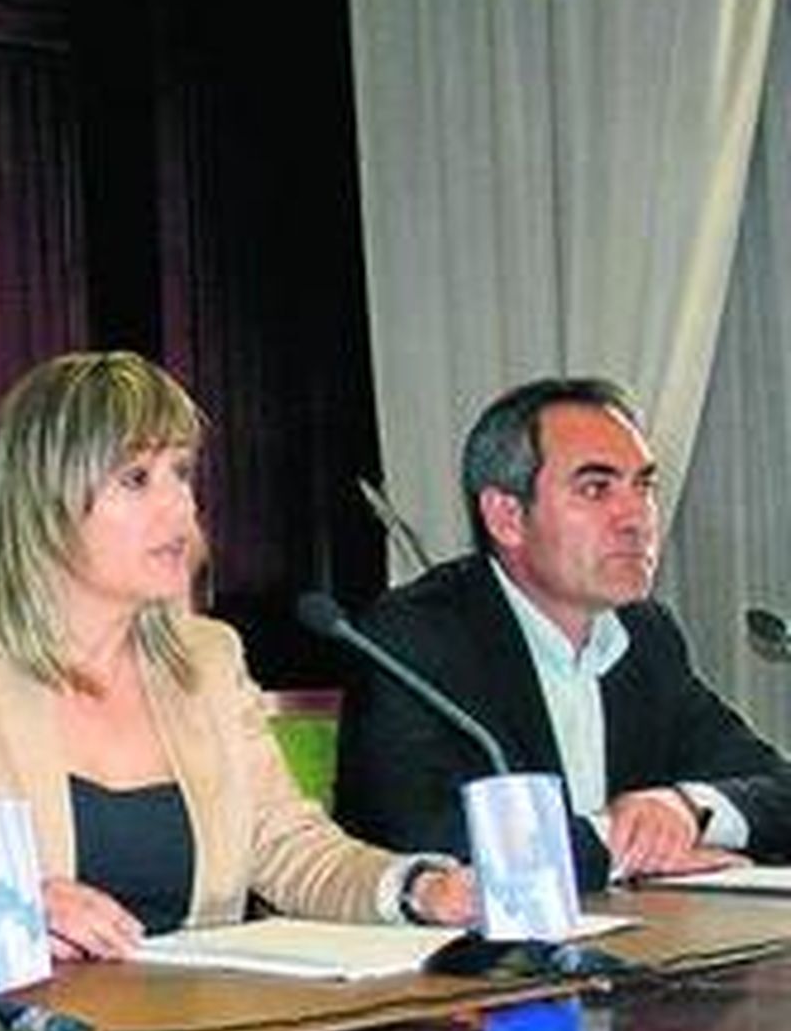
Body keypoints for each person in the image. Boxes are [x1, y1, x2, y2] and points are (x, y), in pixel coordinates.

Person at [0, 351, 475, 963]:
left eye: (182, 473)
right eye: (136, 477)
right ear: (41, 499)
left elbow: (285, 843)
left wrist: (415, 887)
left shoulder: (208, 659)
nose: (180, 504)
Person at [335, 376, 791, 890]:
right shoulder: (415, 638)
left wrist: (686, 809)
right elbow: (420, 838)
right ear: (507, 516)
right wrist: (627, 842)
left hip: (633, 949)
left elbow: (778, 787)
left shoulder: (645, 636)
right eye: (596, 489)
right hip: (467, 962)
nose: (636, 518)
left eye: (643, 486)